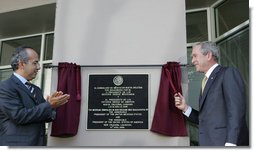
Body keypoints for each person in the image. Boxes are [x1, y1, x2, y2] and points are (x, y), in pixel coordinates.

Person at [174, 41, 249, 146]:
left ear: (208, 55)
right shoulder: (206, 81)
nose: (193, 60)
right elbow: (206, 120)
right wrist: (185, 108)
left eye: (195, 56)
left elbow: (236, 112)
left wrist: (231, 144)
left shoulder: (228, 73)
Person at [0, 46, 70, 146]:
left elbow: (43, 116)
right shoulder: (5, 87)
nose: (39, 67)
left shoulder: (36, 89)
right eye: (35, 63)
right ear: (22, 64)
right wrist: (48, 105)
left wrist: (53, 106)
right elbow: (19, 116)